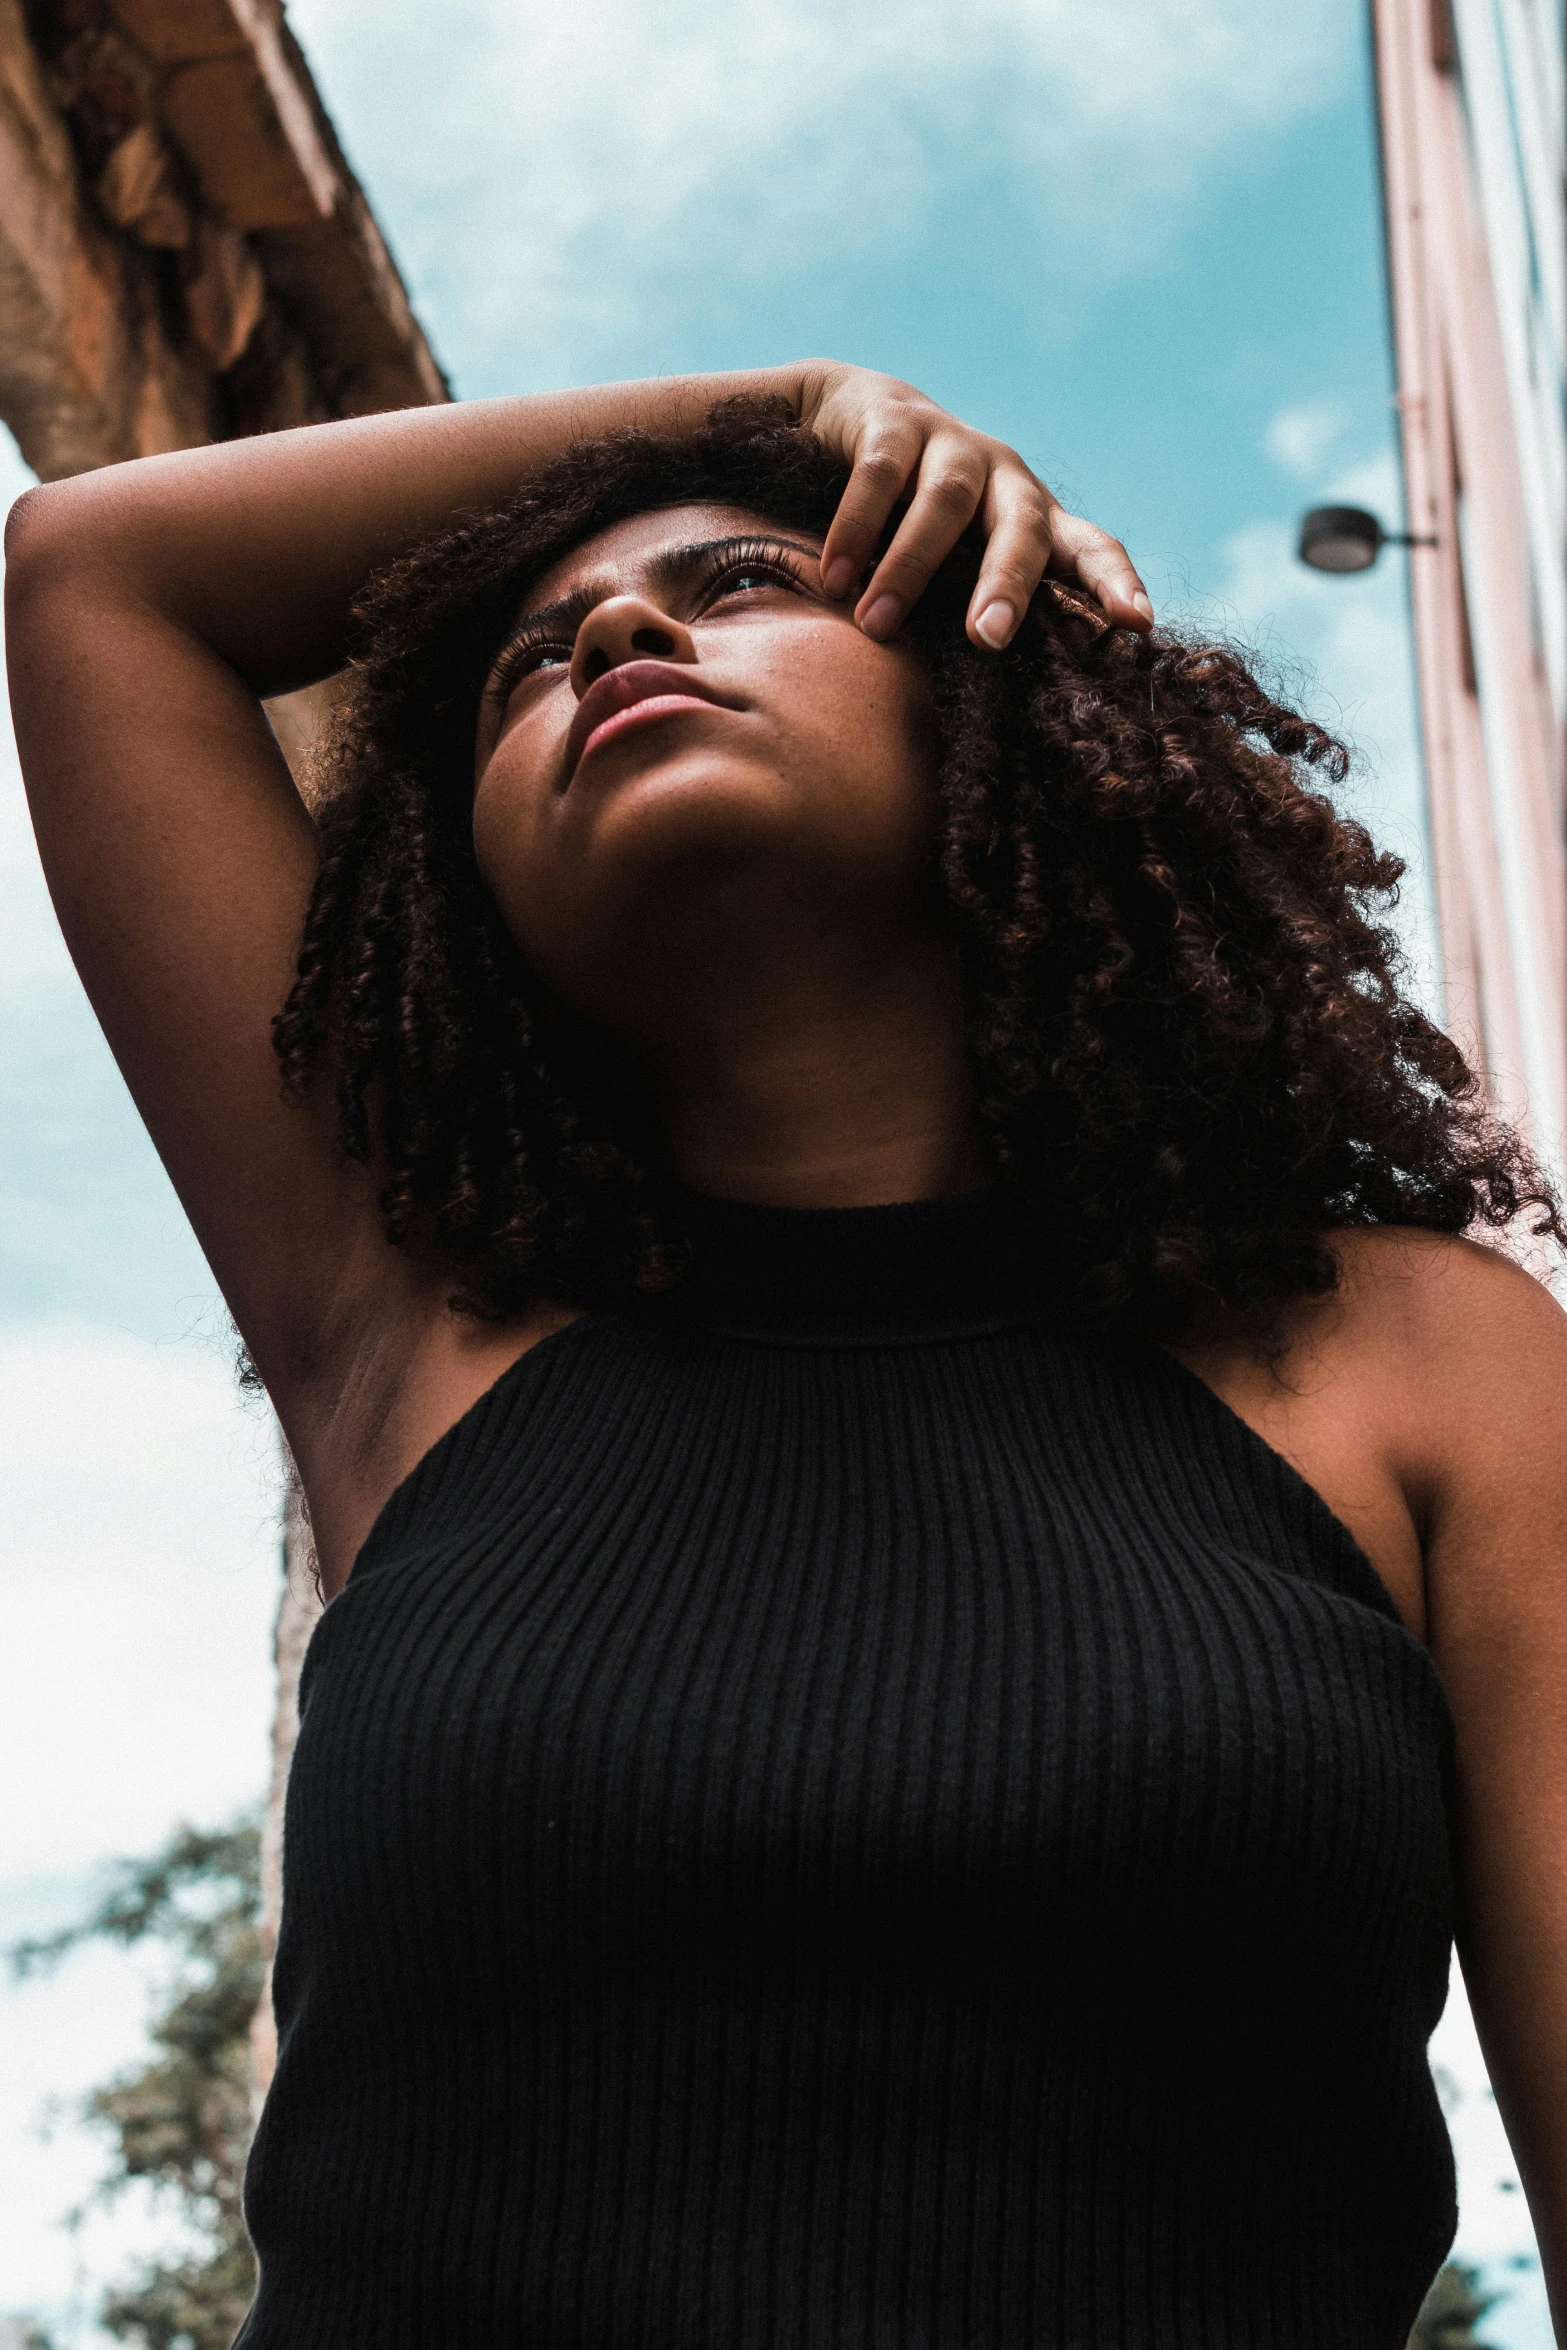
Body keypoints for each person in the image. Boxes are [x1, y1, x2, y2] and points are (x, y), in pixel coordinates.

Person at [7, 362, 1566, 2348]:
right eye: (531, 664)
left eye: (751, 575)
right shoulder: (411, 1329)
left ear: (1002, 685)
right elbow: (91, 573)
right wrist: (799, 401)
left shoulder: (1420, 1366)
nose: (625, 634)